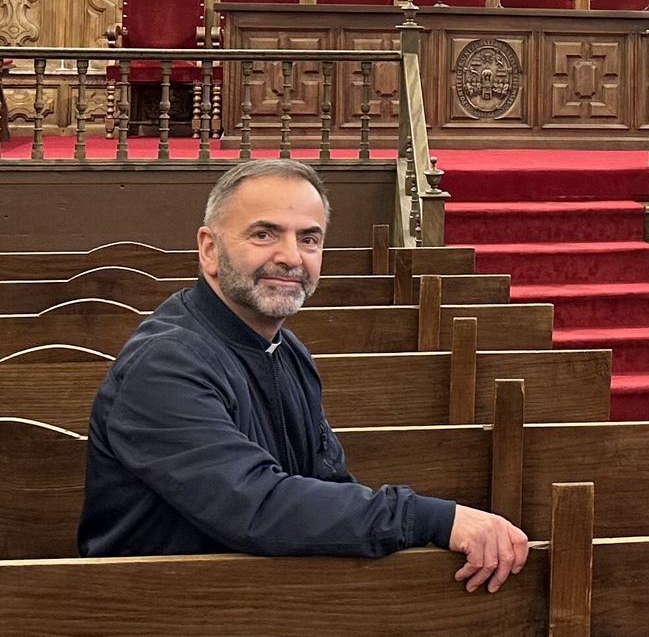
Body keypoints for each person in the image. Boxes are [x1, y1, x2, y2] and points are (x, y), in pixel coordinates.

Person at [77, 159, 529, 596]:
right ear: (210, 249)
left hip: (259, 604)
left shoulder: (287, 350)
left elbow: (327, 483)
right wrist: (435, 519)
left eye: (309, 240)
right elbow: (256, 506)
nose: (291, 257)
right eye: (264, 234)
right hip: (149, 619)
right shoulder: (163, 365)